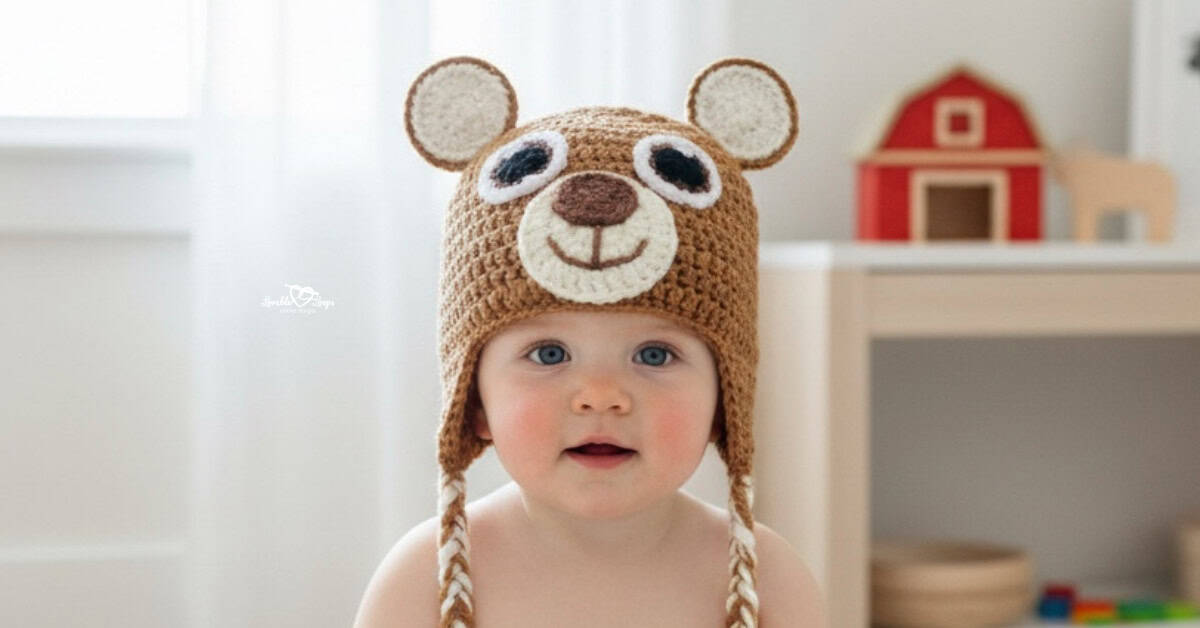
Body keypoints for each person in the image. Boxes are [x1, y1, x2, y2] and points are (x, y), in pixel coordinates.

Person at [354, 56, 827, 627]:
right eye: (548, 354)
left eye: (655, 355)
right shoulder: (424, 581)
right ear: (473, 402)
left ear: (725, 401)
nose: (601, 396)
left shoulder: (765, 578)